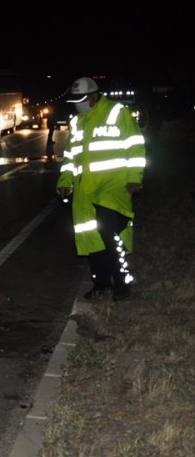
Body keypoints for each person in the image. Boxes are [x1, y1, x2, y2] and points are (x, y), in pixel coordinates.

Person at [56, 77, 146, 301]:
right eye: (75, 100)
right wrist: (64, 181)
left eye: (82, 99)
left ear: (95, 96)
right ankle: (101, 284)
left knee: (109, 233)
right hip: (85, 191)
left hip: (113, 186)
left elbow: (135, 146)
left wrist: (134, 178)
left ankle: (123, 283)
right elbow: (70, 156)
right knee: (92, 238)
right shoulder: (77, 122)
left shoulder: (117, 113)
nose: (78, 104)